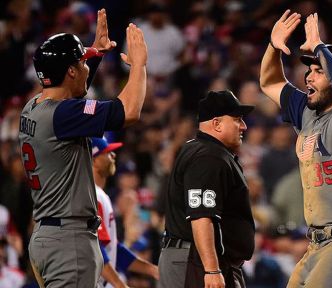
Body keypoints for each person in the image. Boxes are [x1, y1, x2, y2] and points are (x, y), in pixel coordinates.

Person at [18, 8, 148, 288]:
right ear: (72, 71)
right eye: (83, 62)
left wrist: (96, 54)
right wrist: (138, 66)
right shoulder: (64, 115)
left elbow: (71, 92)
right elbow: (130, 111)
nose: (87, 67)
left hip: (47, 236)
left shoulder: (33, 107)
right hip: (69, 242)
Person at [259, 10, 332, 288]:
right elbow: (270, 82)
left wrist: (320, 46)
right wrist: (272, 47)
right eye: (308, 71)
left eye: (319, 71)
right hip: (316, 246)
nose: (308, 77)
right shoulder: (307, 113)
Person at [158, 90, 256, 288]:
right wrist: (211, 269)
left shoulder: (204, 150)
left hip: (200, 258)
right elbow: (201, 216)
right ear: (217, 123)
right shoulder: (208, 157)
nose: (244, 126)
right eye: (237, 119)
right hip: (197, 260)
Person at [91, 136, 159, 288]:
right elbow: (95, 249)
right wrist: (120, 285)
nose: (113, 155)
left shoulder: (100, 195)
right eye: (107, 153)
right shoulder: (93, 195)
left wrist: (154, 270)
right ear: (94, 161)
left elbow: (113, 248)